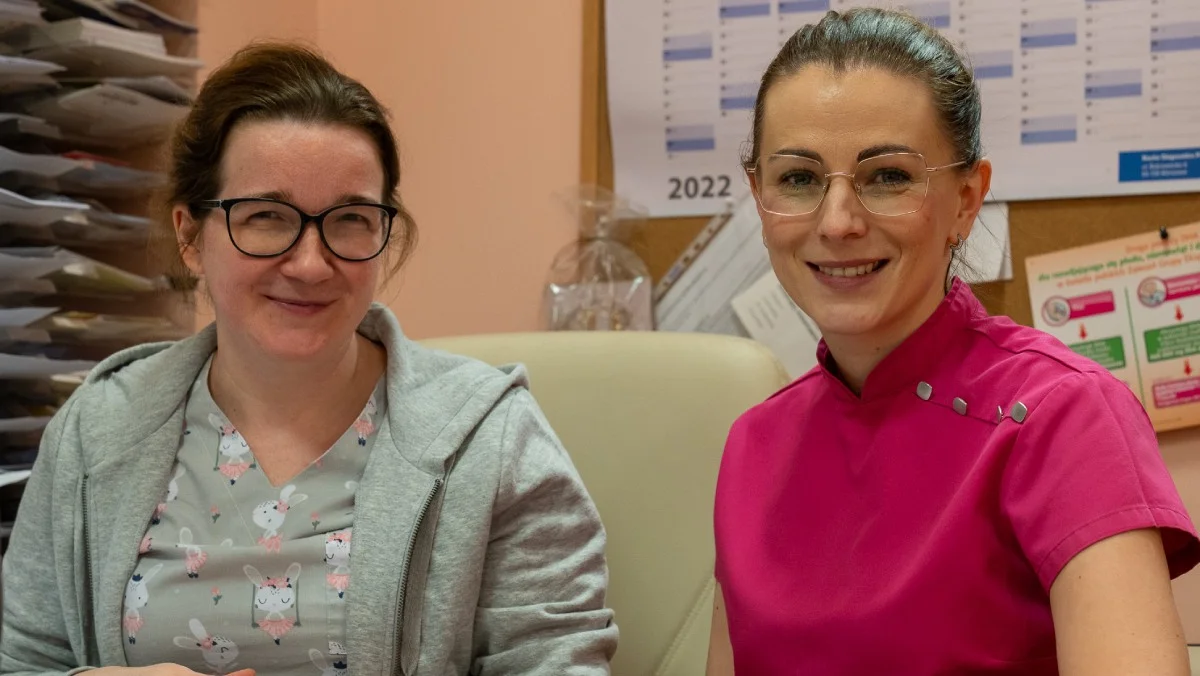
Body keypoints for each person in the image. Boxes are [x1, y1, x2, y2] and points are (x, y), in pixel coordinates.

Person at [0, 42, 617, 676]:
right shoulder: (99, 431)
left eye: (350, 219)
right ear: (189, 235)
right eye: (267, 216)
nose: (311, 264)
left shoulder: (492, 441)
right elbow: (22, 660)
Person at [706, 8, 1200, 676]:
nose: (838, 221)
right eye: (798, 179)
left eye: (888, 176)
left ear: (966, 200)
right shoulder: (752, 445)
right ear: (759, 196)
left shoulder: (1066, 418)